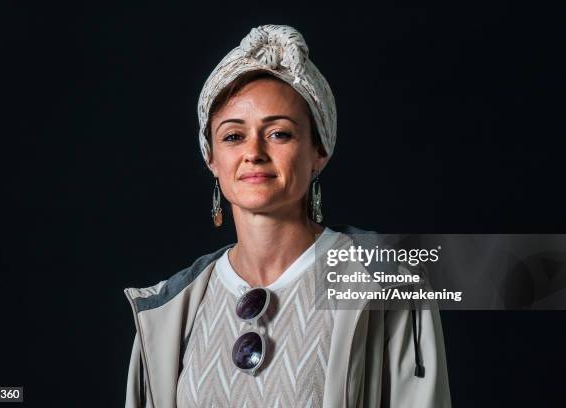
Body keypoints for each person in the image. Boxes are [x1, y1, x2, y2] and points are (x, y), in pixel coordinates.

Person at [124, 24, 451, 407]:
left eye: (279, 133)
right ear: (211, 158)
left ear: (319, 151)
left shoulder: (388, 281)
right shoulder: (168, 308)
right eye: (233, 136)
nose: (254, 152)